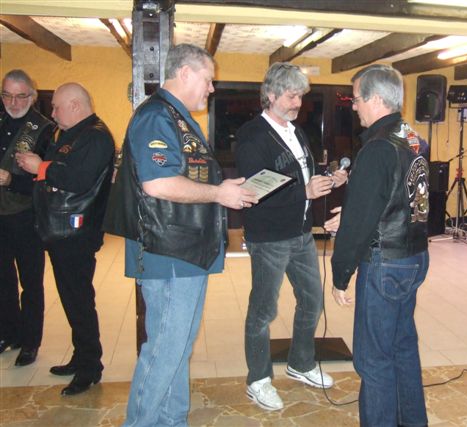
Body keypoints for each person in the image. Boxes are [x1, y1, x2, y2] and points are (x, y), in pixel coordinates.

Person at [102, 44, 257, 426]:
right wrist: (219, 194)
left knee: (178, 348)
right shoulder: (156, 116)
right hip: (168, 250)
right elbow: (158, 184)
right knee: (164, 351)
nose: (212, 88)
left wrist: (223, 186)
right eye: (208, 79)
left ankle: (172, 421)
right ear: (185, 73)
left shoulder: (177, 118)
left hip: (186, 249)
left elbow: (187, 175)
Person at [234, 62, 347, 411]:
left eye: (300, 96)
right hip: (268, 237)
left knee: (312, 301)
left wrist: (330, 177)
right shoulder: (252, 135)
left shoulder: (296, 132)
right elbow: (255, 190)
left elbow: (301, 175)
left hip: (301, 233)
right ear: (270, 94)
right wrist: (305, 192)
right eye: (291, 96)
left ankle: (300, 363)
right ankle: (258, 380)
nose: (298, 103)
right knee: (263, 311)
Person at [327, 64, 430, 427]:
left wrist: (340, 274)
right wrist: (355, 211)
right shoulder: (413, 137)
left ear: (374, 99)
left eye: (356, 99)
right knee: (402, 347)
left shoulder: (377, 147)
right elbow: (407, 197)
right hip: (414, 256)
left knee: (372, 359)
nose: (354, 106)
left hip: (384, 262)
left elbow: (359, 224)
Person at [16, 82, 114, 395]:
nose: (53, 113)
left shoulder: (95, 136)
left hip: (77, 234)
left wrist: (40, 166)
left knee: (79, 301)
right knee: (73, 299)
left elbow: (78, 179)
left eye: (57, 107)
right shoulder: (72, 134)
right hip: (62, 232)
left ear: (75, 105)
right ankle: (81, 357)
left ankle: (89, 368)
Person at [0, 69, 54, 366]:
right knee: (2, 279)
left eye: (21, 96)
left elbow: (46, 180)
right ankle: (9, 332)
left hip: (26, 215)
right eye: (7, 95)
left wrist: (11, 180)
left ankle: (31, 342)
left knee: (31, 283)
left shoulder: (44, 129)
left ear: (32, 96)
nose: (13, 102)